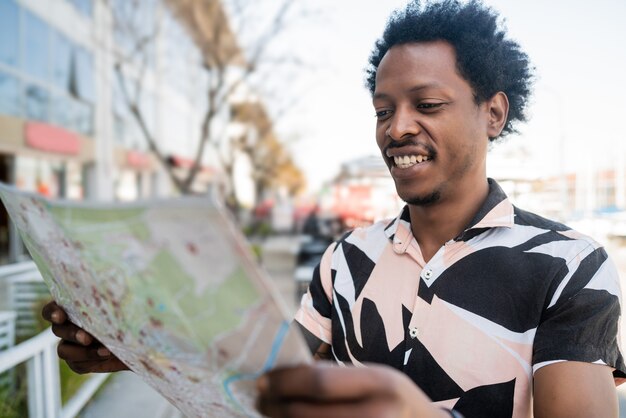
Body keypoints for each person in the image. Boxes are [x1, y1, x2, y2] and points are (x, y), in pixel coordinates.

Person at [43, 1, 625, 417]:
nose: (397, 128)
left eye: (427, 103)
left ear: (493, 114)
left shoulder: (569, 266)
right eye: (382, 109)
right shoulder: (348, 256)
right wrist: (132, 348)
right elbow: (267, 372)